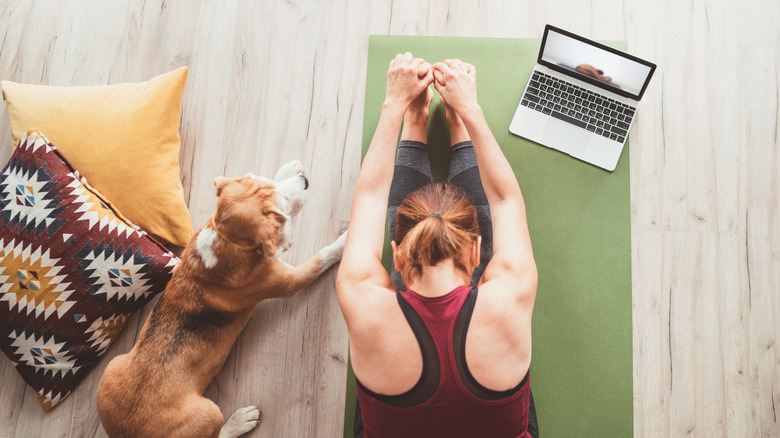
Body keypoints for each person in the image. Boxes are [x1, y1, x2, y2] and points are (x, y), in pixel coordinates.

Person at [337, 52, 539, 438]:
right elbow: (505, 201)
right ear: (477, 254)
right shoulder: (509, 293)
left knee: (424, 274)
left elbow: (370, 198)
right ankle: (456, 123)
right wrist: (470, 110)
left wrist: (396, 106)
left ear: (395, 255)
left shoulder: (366, 303)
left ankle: (416, 121)